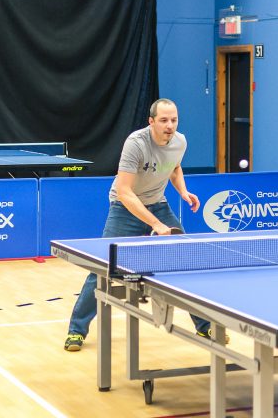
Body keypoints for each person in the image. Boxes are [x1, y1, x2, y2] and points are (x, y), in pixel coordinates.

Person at [65, 98, 212, 351]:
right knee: (102, 267)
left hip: (158, 204)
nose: (170, 125)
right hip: (125, 208)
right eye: (164, 120)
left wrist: (183, 191)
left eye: (174, 120)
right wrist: (156, 224)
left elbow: (174, 167)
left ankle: (204, 326)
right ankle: (76, 331)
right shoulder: (136, 143)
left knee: (188, 261)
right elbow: (124, 191)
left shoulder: (180, 141)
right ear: (151, 121)